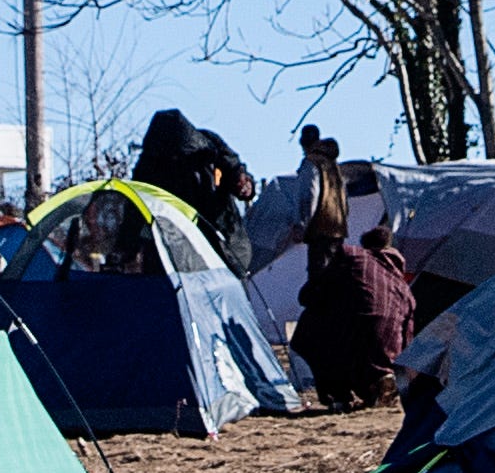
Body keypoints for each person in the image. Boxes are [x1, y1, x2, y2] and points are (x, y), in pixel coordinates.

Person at [289, 200, 416, 412]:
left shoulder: (351, 256)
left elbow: (312, 293)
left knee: (313, 329)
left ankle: (338, 394)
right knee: (366, 348)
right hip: (387, 350)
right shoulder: (401, 284)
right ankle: (380, 381)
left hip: (353, 335)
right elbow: (409, 332)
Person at [132, 108, 263, 271]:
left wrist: (244, 185)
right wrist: (128, 248)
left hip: (222, 240)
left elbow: (235, 170)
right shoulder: (150, 164)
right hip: (173, 246)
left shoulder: (209, 145)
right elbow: (135, 207)